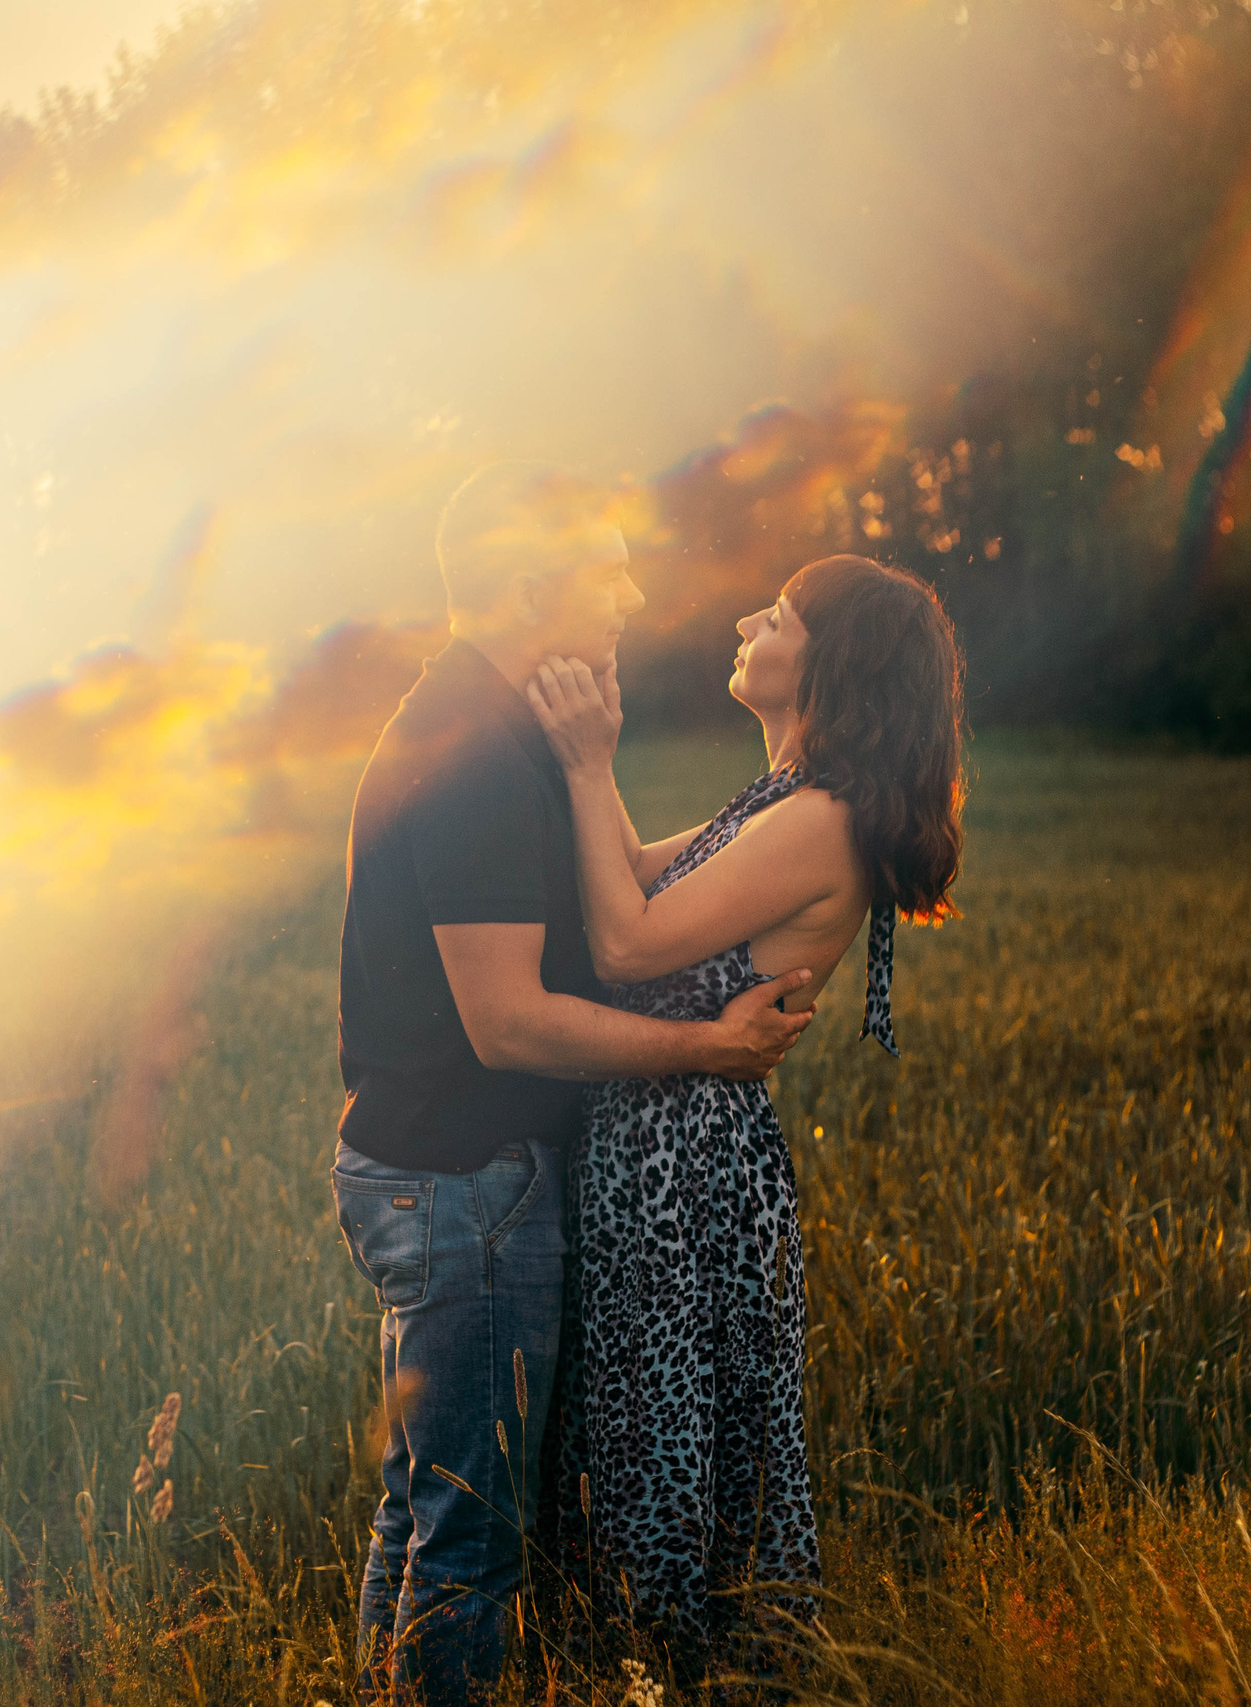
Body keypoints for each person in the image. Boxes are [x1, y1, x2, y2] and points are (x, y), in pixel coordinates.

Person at [333, 464, 817, 1706]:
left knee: (422, 1510)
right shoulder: (475, 756)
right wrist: (706, 1049)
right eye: (603, 570)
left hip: (440, 1177)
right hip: (464, 1184)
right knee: (472, 1542)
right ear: (524, 585)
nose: (632, 593)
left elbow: (612, 892)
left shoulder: (502, 730)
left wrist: (750, 833)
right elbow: (507, 1023)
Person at [525, 553, 966, 1670]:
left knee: (660, 1439)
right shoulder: (780, 803)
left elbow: (621, 944)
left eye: (773, 614)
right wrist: (592, 762)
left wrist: (588, 761)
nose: (743, 619)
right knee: (647, 1433)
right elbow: (623, 874)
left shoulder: (819, 823)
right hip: (668, 1154)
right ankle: (648, 1669)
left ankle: (656, 1672)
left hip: (684, 1172)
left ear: (830, 661)